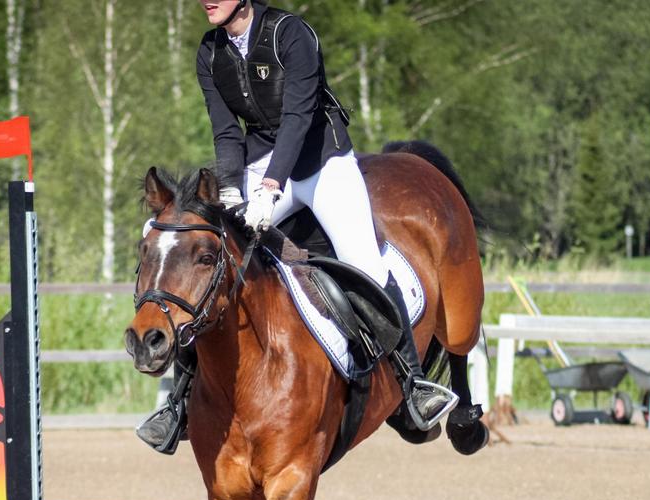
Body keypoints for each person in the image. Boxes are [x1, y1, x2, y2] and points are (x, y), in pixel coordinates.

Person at [135, 0, 455, 451]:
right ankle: (178, 404)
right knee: (212, 259)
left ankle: (412, 383)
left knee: (364, 260)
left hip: (322, 163)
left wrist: (271, 187)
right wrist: (231, 190)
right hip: (260, 164)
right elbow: (226, 131)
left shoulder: (291, 34)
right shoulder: (210, 51)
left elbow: (297, 118)